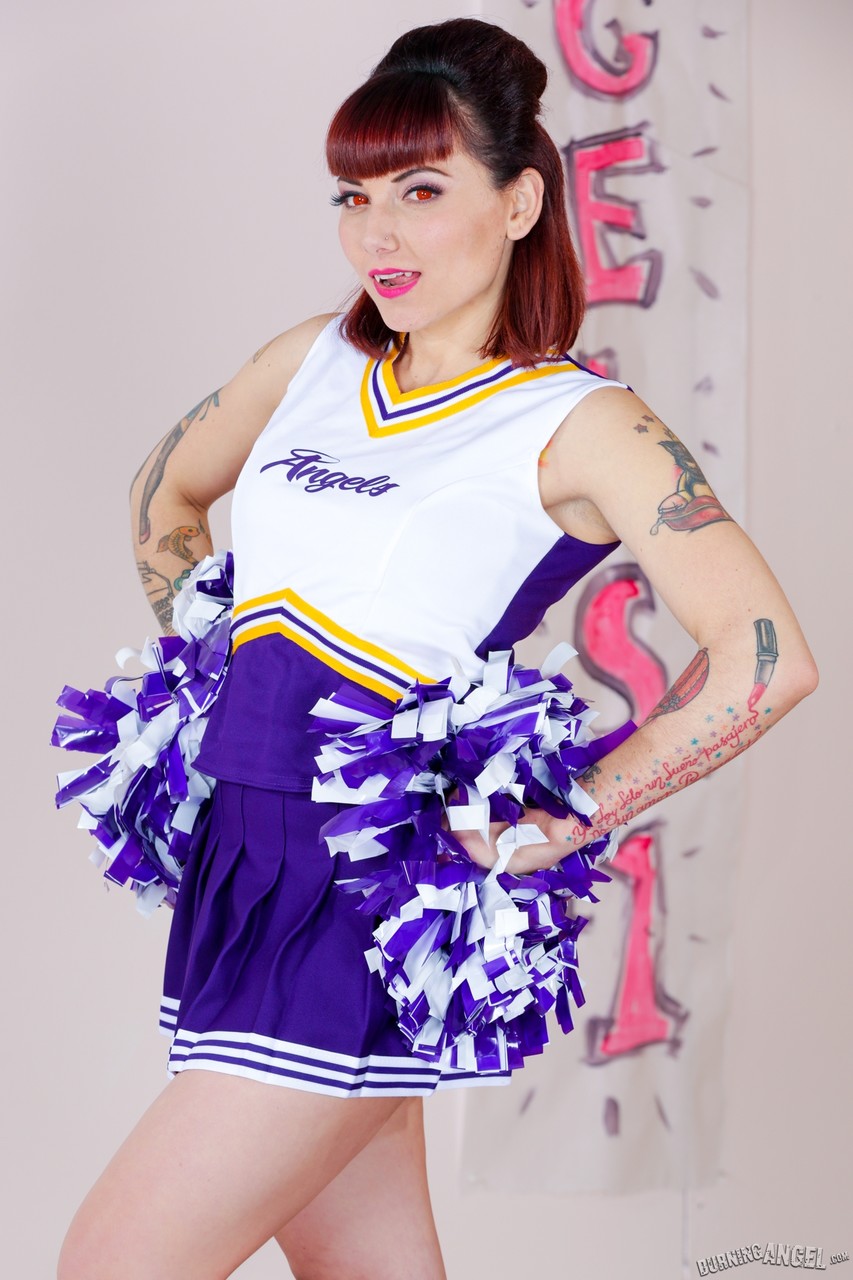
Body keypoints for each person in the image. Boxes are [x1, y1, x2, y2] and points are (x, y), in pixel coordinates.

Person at [57, 16, 817, 1280]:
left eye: (420, 190)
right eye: (354, 197)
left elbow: (764, 656)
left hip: (361, 897)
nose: (378, 235)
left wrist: (561, 817)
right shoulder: (311, 362)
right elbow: (164, 493)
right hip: (242, 863)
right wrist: (208, 673)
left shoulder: (582, 422)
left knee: (114, 1261)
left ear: (519, 201)